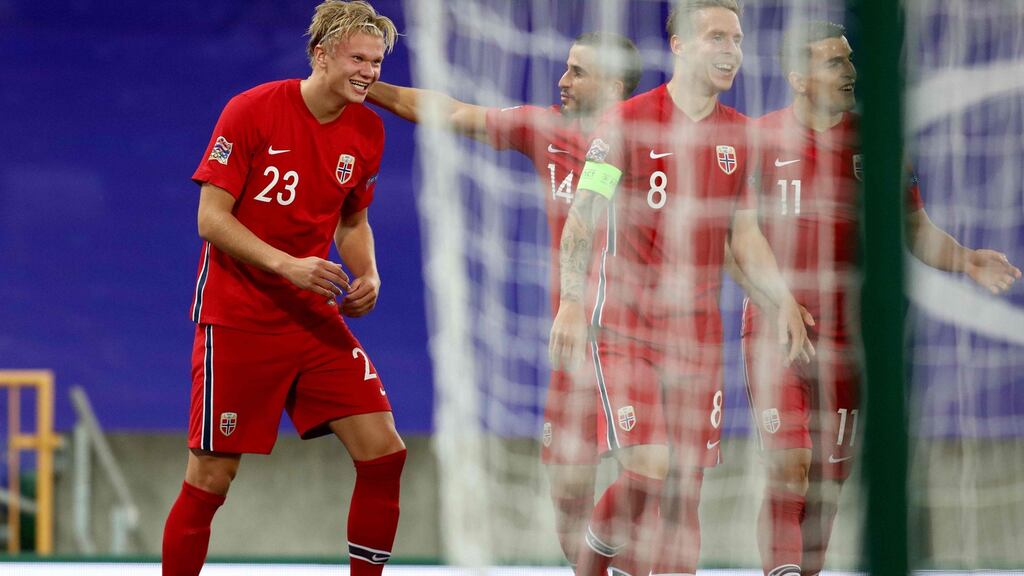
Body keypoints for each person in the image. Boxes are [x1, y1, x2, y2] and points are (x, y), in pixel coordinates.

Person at [736, 20, 1022, 576]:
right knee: (788, 467)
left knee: (825, 485)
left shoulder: (877, 141)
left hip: (851, 338)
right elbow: (739, 236)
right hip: (777, 329)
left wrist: (964, 259)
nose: (850, 72)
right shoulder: (761, 139)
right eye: (833, 63)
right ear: (797, 77)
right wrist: (780, 302)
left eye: (849, 60)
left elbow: (913, 227)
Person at [549, 2, 814, 576]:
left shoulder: (741, 136)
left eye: (737, 39)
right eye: (716, 36)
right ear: (680, 46)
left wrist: (782, 299)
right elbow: (583, 217)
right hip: (624, 329)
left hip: (697, 341)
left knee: (683, 494)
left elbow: (741, 234)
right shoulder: (625, 121)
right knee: (648, 468)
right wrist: (571, 302)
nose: (730, 50)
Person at [368, 33, 643, 571]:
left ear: (612, 84)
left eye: (578, 72)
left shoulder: (654, 140)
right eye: (566, 69)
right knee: (566, 489)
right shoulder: (546, 129)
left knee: (650, 480)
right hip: (574, 338)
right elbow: (452, 111)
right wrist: (371, 87)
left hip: (638, 340)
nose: (562, 82)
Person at [161, 3, 406, 575]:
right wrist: (288, 266)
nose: (369, 72)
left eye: (375, 61)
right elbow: (211, 219)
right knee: (211, 477)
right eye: (357, 59)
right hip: (238, 315)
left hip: (312, 318)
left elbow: (352, 221)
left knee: (385, 452)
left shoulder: (369, 129)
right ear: (320, 55)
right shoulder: (250, 110)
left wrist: (368, 273)